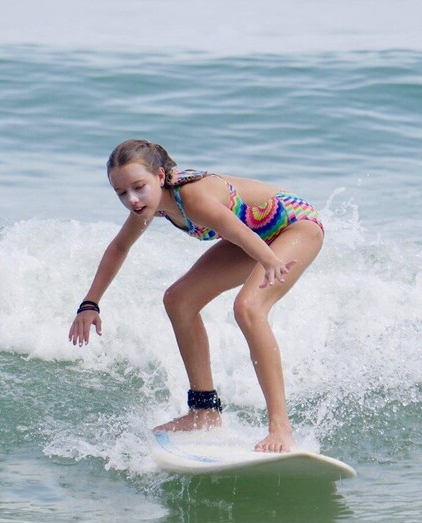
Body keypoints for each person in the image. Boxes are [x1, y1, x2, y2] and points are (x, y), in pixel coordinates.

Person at [68, 139, 324, 452]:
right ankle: (204, 412)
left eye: (138, 187)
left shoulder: (193, 197)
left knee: (248, 307)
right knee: (179, 299)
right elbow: (119, 247)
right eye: (121, 193)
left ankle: (281, 428)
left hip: (294, 226)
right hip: (255, 236)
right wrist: (89, 303)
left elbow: (237, 230)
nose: (132, 200)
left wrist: (270, 261)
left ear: (160, 177)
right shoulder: (149, 206)